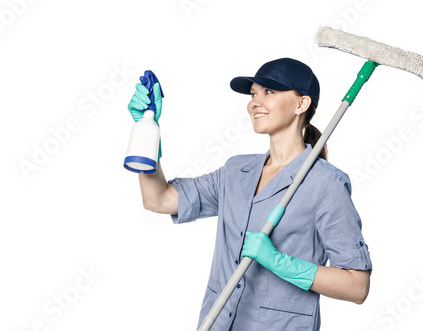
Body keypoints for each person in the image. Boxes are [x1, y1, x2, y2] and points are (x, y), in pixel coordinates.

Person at [128, 58, 372, 330]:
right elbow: (159, 199)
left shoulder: (326, 183)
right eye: (254, 93)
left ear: (301, 104)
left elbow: (356, 286)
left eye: (269, 92)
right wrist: (147, 134)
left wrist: (280, 263)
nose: (254, 102)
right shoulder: (236, 171)